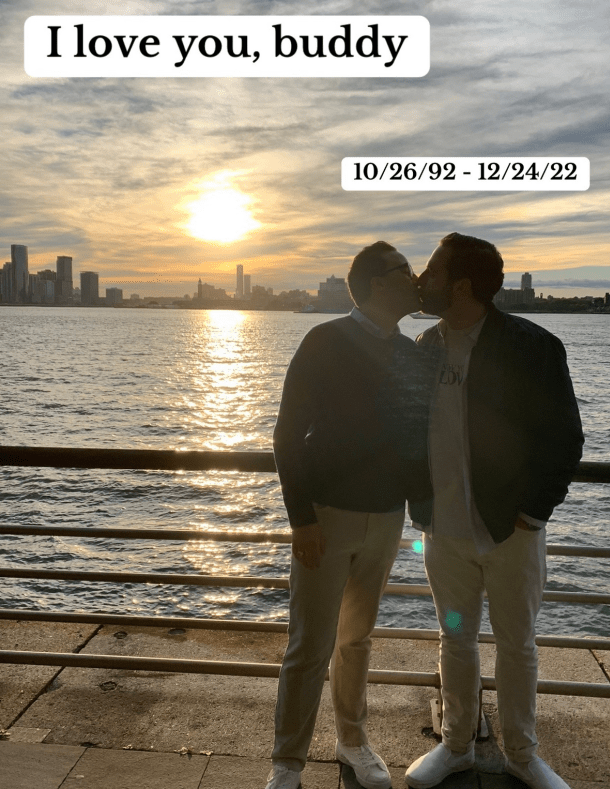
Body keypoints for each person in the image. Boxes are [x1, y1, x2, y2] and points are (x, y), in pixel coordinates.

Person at [405, 233, 584, 789]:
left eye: (429, 272)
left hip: (512, 536)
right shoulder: (423, 348)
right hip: (444, 535)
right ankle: (457, 745)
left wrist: (533, 514)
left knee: (516, 644)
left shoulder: (533, 347)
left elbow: (565, 440)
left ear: (459, 285)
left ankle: (522, 753)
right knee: (455, 636)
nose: (419, 281)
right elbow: (407, 433)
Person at [268, 241, 433, 789]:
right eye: (403, 270)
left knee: (356, 640)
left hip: (385, 517)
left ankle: (353, 742)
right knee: (309, 645)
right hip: (326, 516)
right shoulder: (325, 340)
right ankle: (287, 763)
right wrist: (301, 519)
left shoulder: (411, 353)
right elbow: (287, 434)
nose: (414, 278)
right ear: (375, 284)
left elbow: (417, 438)